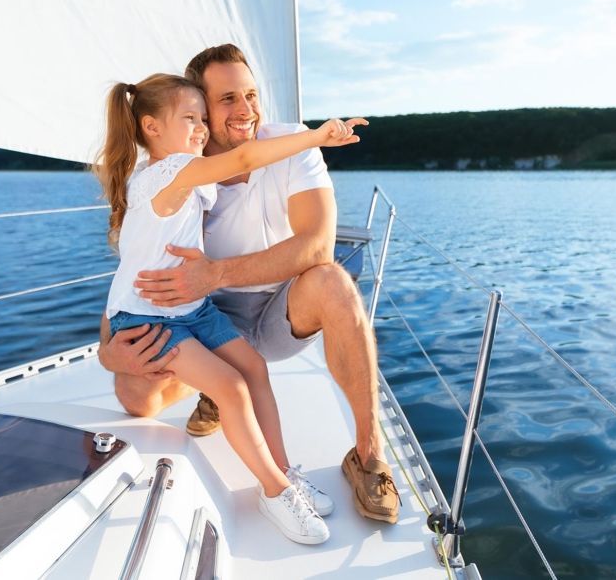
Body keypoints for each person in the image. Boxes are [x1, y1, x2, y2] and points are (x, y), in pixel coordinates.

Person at [99, 44, 400, 525]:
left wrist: (214, 272)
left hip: (245, 309)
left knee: (323, 294)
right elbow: (137, 272)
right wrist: (108, 350)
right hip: (183, 314)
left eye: (252, 95)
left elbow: (318, 247)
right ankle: (272, 480)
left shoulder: (240, 155)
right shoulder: (175, 170)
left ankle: (357, 458)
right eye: (224, 102)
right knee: (141, 399)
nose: (245, 111)